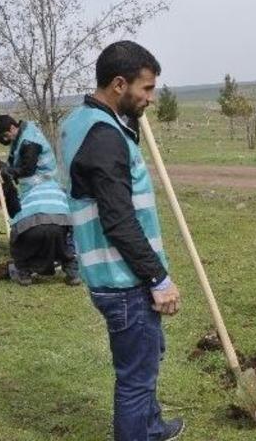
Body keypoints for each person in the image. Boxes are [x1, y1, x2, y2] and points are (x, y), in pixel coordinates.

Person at [59, 40, 183, 441]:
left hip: (112, 275)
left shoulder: (83, 122)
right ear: (118, 84)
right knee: (135, 379)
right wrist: (157, 279)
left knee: (149, 355)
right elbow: (118, 220)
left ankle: (151, 427)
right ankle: (139, 429)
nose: (151, 98)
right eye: (145, 89)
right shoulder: (104, 136)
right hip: (123, 278)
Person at [0, 114, 79, 286]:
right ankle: (73, 271)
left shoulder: (29, 142)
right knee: (64, 240)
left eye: (6, 136)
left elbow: (28, 169)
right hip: (59, 214)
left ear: (12, 128)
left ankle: (24, 273)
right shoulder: (24, 135)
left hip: (36, 190)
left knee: (22, 239)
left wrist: (9, 172)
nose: (6, 140)